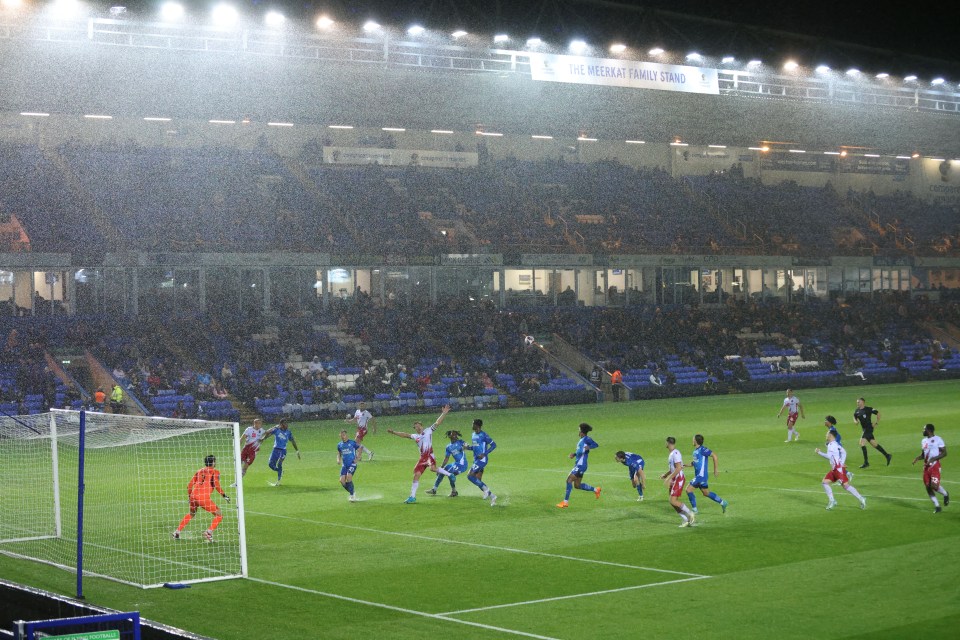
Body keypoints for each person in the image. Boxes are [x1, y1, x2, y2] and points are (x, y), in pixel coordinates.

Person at [387, 405, 452, 504]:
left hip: (429, 455)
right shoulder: (415, 436)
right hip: (422, 459)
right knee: (416, 475)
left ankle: (450, 475)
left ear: (422, 426)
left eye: (418, 426)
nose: (417, 428)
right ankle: (412, 497)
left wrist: (444, 413)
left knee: (433, 469)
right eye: (415, 427)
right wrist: (394, 432)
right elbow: (405, 435)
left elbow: (437, 422)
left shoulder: (428, 430)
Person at [173, 455, 230, 542]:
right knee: (219, 515)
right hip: (203, 498)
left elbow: (189, 485)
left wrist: (189, 496)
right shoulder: (215, 472)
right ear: (213, 462)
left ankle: (177, 532)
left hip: (193, 496)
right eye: (215, 461)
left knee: (191, 514)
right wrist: (224, 495)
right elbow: (217, 485)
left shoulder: (199, 471)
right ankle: (208, 532)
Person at [816, 422, 866, 510]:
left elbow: (828, 456)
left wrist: (819, 452)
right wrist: (841, 462)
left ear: (831, 435)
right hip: (836, 468)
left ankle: (861, 498)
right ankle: (832, 501)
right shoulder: (835, 444)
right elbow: (844, 452)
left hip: (838, 470)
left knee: (846, 486)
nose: (826, 435)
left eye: (827, 434)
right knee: (824, 482)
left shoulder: (831, 446)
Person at [557, 423, 601, 508]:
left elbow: (596, 445)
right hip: (580, 465)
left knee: (569, 480)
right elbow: (580, 451)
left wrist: (589, 447)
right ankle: (596, 490)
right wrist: (574, 454)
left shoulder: (586, 439)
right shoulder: (582, 440)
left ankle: (565, 502)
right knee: (577, 485)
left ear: (581, 431)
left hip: (581, 465)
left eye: (579, 430)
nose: (578, 431)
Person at [685, 434, 729, 514]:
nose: (692, 440)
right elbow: (695, 463)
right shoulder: (695, 451)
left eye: (693, 439)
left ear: (696, 441)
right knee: (706, 493)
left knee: (688, 490)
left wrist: (715, 470)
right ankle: (723, 502)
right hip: (699, 476)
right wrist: (685, 465)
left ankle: (694, 510)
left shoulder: (703, 449)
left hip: (701, 476)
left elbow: (714, 456)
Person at [912, 423, 949, 513]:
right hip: (926, 467)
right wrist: (918, 458)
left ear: (929, 430)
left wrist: (934, 459)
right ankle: (937, 506)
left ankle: (945, 494)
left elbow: (944, 453)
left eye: (924, 429)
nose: (923, 431)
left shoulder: (938, 439)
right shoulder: (923, 441)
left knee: (934, 486)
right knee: (928, 487)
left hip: (935, 466)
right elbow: (924, 454)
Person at [660, 437, 696, 527]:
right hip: (674, 478)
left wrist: (668, 478)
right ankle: (685, 519)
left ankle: (690, 514)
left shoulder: (675, 453)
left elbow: (679, 468)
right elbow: (673, 468)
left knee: (673, 501)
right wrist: (666, 474)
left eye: (666, 442)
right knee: (671, 501)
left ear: (668, 443)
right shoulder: (672, 453)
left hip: (678, 478)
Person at [465, 418, 498, 506]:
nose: (471, 425)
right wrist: (468, 448)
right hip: (476, 459)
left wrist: (484, 453)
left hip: (482, 460)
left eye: (473, 424)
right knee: (477, 479)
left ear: (477, 425)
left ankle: (488, 492)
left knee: (470, 476)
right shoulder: (473, 435)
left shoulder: (484, 435)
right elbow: (475, 447)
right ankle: (490, 494)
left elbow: (494, 445)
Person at [426, 429, 468, 497]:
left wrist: (464, 447)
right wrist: (441, 468)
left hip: (462, 465)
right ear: (449, 436)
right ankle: (434, 489)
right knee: (444, 471)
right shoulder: (448, 447)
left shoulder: (460, 442)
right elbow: (446, 458)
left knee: (450, 474)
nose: (454, 436)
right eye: (453, 434)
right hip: (456, 463)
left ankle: (454, 491)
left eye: (455, 434)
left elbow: (466, 445)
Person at [853, 397, 892, 468]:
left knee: (862, 443)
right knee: (874, 444)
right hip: (864, 429)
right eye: (857, 402)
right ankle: (887, 455)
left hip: (869, 429)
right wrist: (855, 421)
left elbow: (878, 413)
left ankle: (866, 462)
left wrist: (876, 423)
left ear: (863, 402)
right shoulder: (857, 410)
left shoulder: (869, 409)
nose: (857, 403)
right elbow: (854, 416)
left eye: (858, 402)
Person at [262, 418, 301, 486]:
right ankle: (279, 471)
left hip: (283, 450)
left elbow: (293, 441)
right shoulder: (276, 430)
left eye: (287, 423)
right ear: (281, 424)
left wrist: (297, 451)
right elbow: (267, 433)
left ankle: (279, 481)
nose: (287, 425)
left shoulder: (288, 432)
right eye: (285, 423)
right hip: (275, 450)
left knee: (279, 464)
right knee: (270, 465)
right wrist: (263, 438)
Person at [235, 418, 265, 483]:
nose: (260, 425)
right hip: (246, 448)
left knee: (246, 465)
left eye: (261, 423)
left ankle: (238, 482)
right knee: (238, 463)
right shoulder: (249, 429)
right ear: (255, 423)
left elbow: (267, 433)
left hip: (253, 451)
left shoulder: (261, 430)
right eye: (259, 423)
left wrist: (263, 438)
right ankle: (237, 479)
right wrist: (237, 446)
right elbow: (242, 438)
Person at [337, 429, 362, 502]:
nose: (343, 436)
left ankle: (352, 496)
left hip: (352, 464)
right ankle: (352, 492)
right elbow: (339, 453)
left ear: (346, 435)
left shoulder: (352, 443)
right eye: (341, 435)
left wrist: (357, 458)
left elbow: (360, 448)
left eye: (344, 435)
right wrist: (338, 460)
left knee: (348, 476)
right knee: (342, 481)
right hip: (344, 465)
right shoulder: (339, 444)